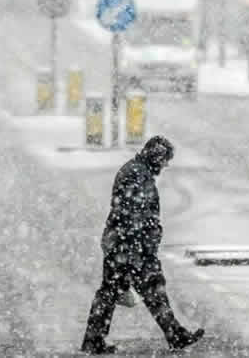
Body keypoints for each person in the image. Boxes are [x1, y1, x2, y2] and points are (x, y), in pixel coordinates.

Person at [81, 136, 204, 355]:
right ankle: (174, 335)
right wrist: (142, 249)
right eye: (165, 160)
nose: (166, 165)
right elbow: (135, 216)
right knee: (149, 290)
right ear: (156, 157)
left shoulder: (136, 171)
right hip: (130, 248)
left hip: (122, 245)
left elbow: (131, 214)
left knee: (113, 293)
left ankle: (94, 340)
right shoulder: (137, 175)